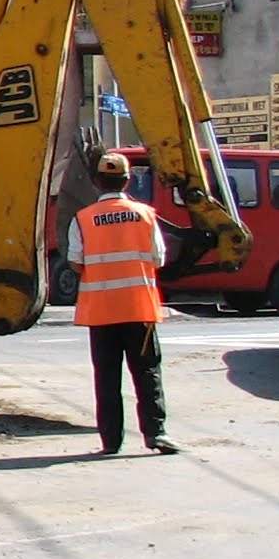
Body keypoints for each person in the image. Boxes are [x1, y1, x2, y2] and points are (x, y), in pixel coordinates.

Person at [68, 151, 175, 455]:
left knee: (107, 377)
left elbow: (76, 261)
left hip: (101, 313)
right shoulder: (145, 215)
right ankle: (156, 434)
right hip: (138, 309)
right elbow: (158, 258)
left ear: (97, 182)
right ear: (128, 180)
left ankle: (111, 442)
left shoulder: (83, 218)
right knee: (147, 372)